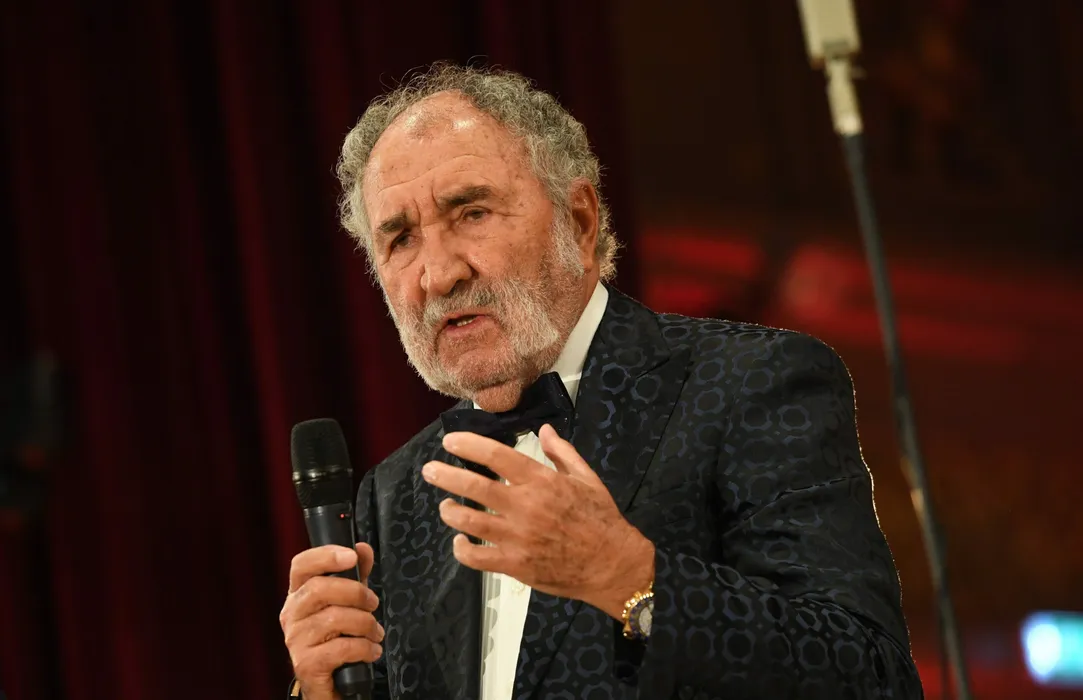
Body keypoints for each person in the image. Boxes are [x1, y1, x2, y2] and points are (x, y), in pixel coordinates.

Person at [278, 62, 923, 700]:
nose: (439, 274)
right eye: (400, 240)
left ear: (580, 222)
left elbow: (870, 677)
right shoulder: (394, 495)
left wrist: (629, 579)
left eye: (472, 212)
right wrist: (319, 691)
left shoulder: (753, 384)